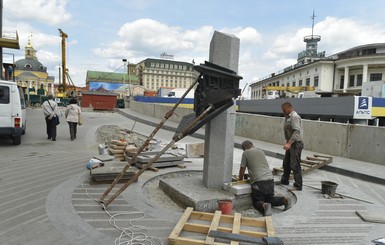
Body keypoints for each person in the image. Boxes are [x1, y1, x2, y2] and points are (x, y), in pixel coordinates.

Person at [239, 140, 288, 216]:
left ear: (245, 147)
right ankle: (283, 200)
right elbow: (262, 167)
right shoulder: (261, 152)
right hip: (270, 180)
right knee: (270, 199)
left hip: (259, 182)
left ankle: (264, 206)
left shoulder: (246, 153)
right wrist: (249, 175)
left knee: (257, 201)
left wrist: (240, 180)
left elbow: (242, 168)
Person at [280, 102, 304, 191]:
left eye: (284, 110)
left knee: (295, 165)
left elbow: (297, 131)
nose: (283, 112)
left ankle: (298, 185)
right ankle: (284, 180)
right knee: (286, 163)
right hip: (291, 143)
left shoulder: (294, 117)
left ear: (290, 108)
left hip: (296, 144)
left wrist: (289, 143)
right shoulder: (288, 117)